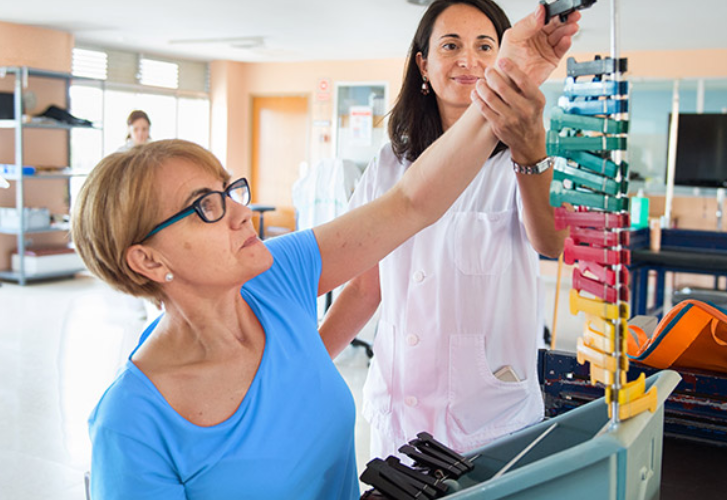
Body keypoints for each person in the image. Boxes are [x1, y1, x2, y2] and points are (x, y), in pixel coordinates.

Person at [72, 7, 578, 498]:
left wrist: (512, 79)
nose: (241, 213)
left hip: (485, 404)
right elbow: (370, 276)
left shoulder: (278, 275)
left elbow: (411, 202)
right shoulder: (132, 426)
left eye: (231, 191)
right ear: (149, 261)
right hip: (409, 406)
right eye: (206, 207)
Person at [320, 0, 579, 458]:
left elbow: (552, 242)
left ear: (502, 60)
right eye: (451, 45)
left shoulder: (524, 157)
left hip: (487, 417)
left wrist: (530, 150)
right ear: (423, 63)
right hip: (398, 409)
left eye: (485, 46)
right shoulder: (389, 163)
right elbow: (365, 285)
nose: (468, 60)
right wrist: (305, 368)